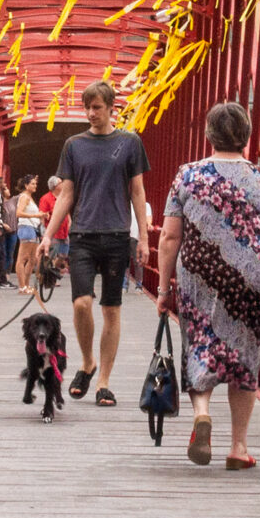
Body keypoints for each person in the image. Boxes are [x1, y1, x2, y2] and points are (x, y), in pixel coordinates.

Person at [157, 100, 260, 469]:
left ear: (208, 135)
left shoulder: (187, 175)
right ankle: (238, 447)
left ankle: (201, 414)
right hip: (253, 280)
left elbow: (170, 238)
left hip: (200, 276)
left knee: (200, 345)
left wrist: (162, 289)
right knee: (245, 357)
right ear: (247, 136)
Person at [43, 81, 154, 407]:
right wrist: (48, 235)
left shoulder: (130, 143)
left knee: (111, 309)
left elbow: (137, 191)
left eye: (97, 107)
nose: (91, 113)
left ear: (110, 108)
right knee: (81, 304)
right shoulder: (74, 145)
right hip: (83, 238)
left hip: (118, 238)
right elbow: (67, 194)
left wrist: (143, 238)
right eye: (87, 107)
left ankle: (103, 381)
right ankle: (87, 362)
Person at [12, 174, 44, 291]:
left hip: (33, 228)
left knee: (32, 259)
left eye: (36, 183)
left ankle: (26, 284)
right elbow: (18, 213)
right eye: (32, 184)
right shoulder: (24, 197)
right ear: (26, 185)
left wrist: (41, 215)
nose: (35, 186)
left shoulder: (29, 197)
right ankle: (22, 286)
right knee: (23, 258)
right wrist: (36, 215)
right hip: (26, 227)